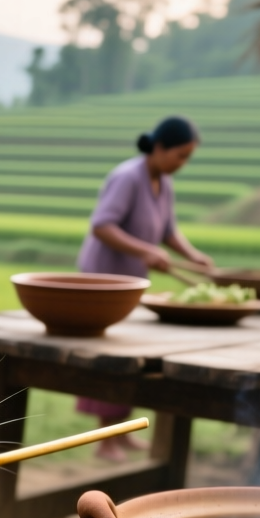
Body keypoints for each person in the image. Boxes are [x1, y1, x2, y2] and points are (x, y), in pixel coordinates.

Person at [78, 116, 215, 461]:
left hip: (131, 278)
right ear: (159, 148)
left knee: (129, 353)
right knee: (106, 358)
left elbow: (169, 231)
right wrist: (146, 251)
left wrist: (193, 255)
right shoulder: (127, 178)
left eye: (188, 157)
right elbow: (102, 226)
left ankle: (121, 432)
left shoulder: (163, 183)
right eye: (180, 155)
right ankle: (104, 439)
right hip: (104, 278)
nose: (182, 164)